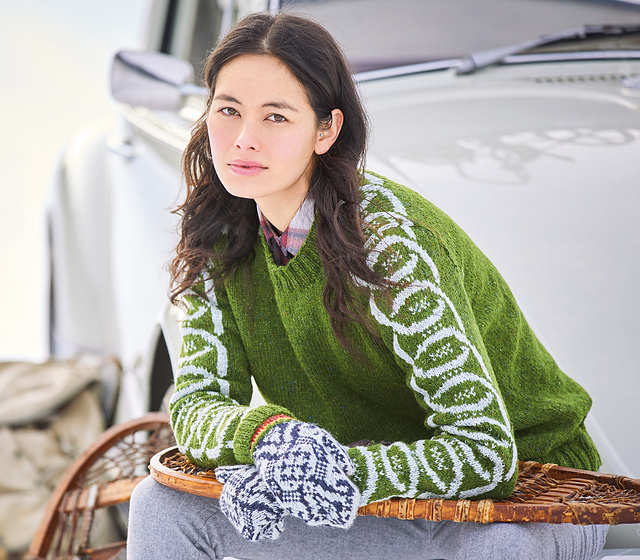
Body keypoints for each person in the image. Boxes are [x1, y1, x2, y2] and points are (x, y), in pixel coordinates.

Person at [127, 12, 608, 560]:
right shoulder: (218, 236)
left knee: (494, 552)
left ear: (326, 130)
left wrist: (332, 468)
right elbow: (196, 403)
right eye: (229, 110)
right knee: (161, 506)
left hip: (531, 497)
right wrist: (269, 440)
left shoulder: (387, 244)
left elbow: (486, 454)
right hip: (381, 500)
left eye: (276, 117)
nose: (244, 139)